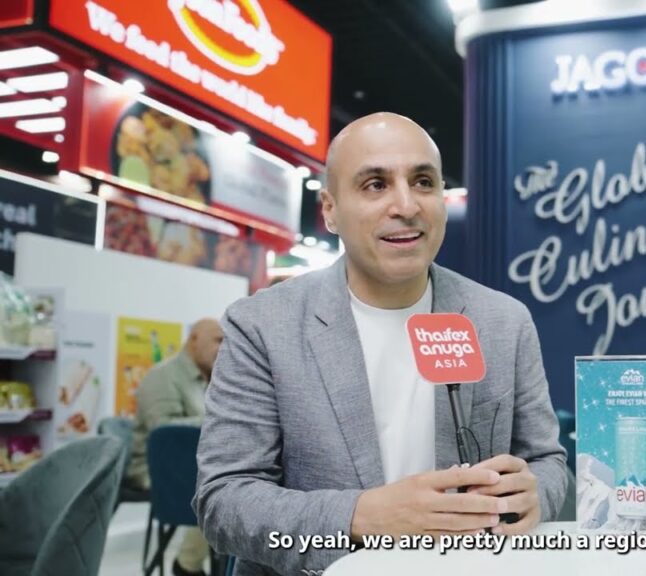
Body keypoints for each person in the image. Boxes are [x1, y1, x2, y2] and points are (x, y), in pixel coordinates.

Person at [193, 113, 569, 576]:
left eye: (423, 182)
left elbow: (547, 461)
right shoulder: (262, 326)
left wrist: (534, 494)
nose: (406, 205)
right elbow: (224, 502)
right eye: (375, 185)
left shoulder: (504, 322)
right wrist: (360, 518)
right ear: (330, 210)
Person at [128, 318, 224, 576]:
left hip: (192, 468)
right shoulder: (163, 376)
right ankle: (188, 565)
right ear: (194, 339)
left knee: (237, 483)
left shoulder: (208, 379)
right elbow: (163, 432)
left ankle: (198, 564)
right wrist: (219, 421)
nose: (223, 348)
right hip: (156, 469)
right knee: (222, 488)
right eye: (218, 340)